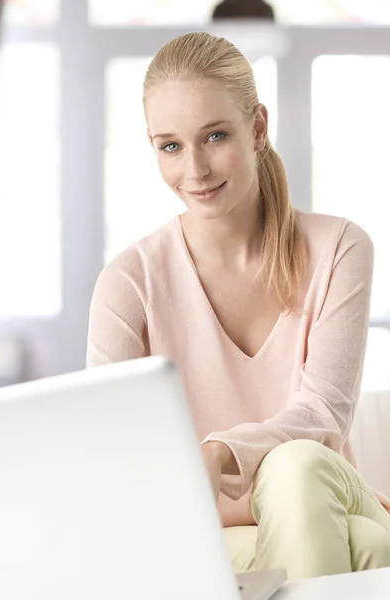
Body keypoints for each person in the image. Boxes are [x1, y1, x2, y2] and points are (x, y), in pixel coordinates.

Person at [86, 31, 390, 581]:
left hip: (319, 490)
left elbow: (322, 417)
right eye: (170, 146)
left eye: (215, 136)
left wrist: (221, 454)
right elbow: (115, 450)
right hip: (207, 533)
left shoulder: (342, 248)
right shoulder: (129, 283)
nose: (195, 170)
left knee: (294, 464)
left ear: (257, 128)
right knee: (368, 547)